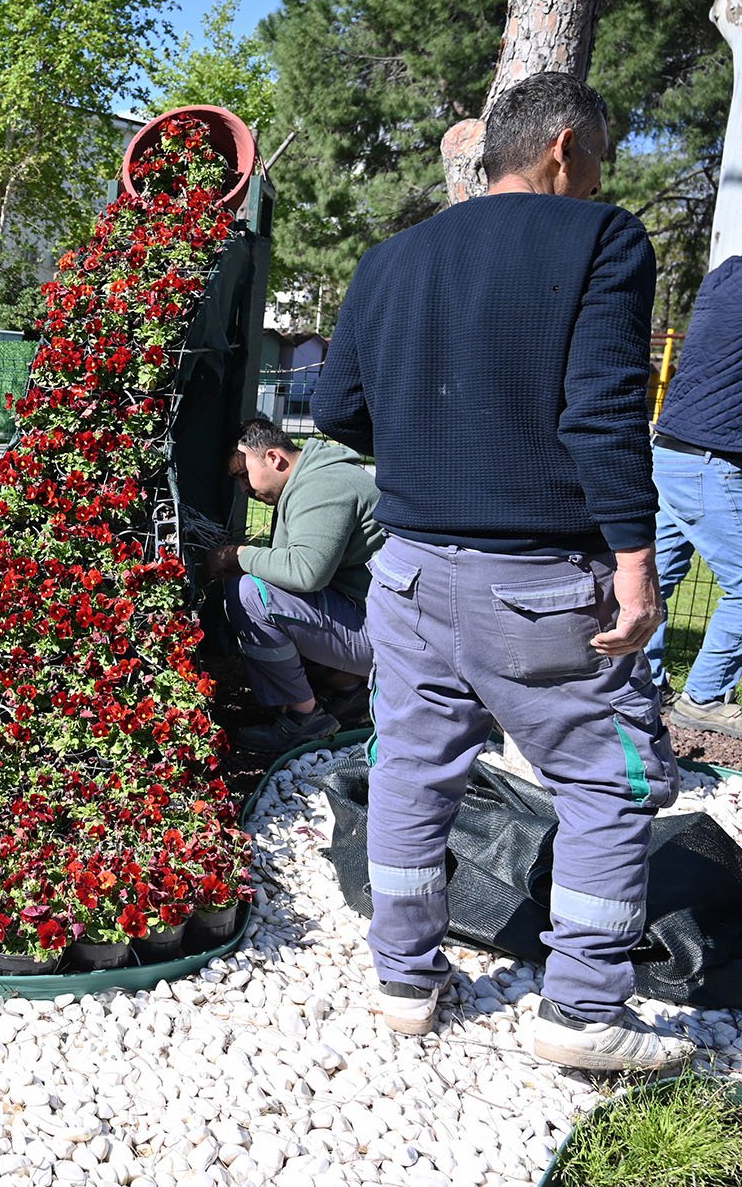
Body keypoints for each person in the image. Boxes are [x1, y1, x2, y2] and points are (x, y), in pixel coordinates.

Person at [313, 72, 689, 1074]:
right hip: (540, 586)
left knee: (411, 768)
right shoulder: (601, 239)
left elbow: (338, 409)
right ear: (564, 147)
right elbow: (605, 413)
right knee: (612, 783)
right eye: (600, 158)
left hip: (407, 577)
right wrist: (639, 567)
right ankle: (581, 1007)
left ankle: (404, 977)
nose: (601, 176)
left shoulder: (390, 259)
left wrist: (431, 437)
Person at [206, 418, 384, 754]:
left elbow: (305, 573)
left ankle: (306, 720)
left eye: (243, 475)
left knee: (249, 594)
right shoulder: (310, 479)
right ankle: (348, 688)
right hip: (373, 620)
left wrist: (238, 555)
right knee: (258, 584)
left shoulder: (324, 487)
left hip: (389, 641)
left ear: (273, 458)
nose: (244, 489)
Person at [646, 257, 742, 742]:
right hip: (711, 460)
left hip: (671, 449)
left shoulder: (726, 275)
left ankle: (638, 686)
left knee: (652, 578)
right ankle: (703, 698)